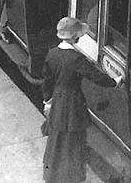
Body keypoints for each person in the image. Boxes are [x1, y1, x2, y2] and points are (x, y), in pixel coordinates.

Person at [42, 16, 120, 183]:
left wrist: (47, 101)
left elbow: (47, 81)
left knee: (57, 138)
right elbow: (95, 77)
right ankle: (72, 177)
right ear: (72, 37)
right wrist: (114, 82)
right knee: (74, 141)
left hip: (57, 100)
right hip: (73, 103)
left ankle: (52, 175)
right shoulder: (76, 59)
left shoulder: (52, 54)